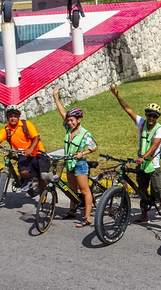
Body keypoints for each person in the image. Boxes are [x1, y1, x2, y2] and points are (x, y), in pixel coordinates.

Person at [109, 84, 161, 235]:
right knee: (142, 190)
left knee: (160, 194)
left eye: (154, 116)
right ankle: (144, 215)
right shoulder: (141, 123)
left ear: (157, 118)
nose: (151, 118)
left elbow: (155, 145)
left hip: (152, 165)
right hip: (141, 165)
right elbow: (128, 110)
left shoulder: (160, 129)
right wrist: (118, 97)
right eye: (149, 115)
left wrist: (143, 157)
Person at [51, 88, 98, 227]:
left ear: (78, 120)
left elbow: (94, 147)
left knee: (84, 191)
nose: (69, 123)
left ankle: (87, 217)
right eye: (68, 121)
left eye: (72, 121)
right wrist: (55, 98)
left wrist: (82, 154)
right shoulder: (68, 129)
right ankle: (72, 211)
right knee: (72, 189)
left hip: (79, 164)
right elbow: (62, 112)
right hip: (69, 163)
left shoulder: (84, 134)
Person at [0, 105, 50, 197]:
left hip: (38, 153)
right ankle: (29, 181)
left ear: (19, 116)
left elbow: (36, 138)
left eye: (15, 116)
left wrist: (30, 149)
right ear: (7, 117)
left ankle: (42, 201)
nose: (13, 118)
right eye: (10, 116)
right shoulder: (6, 130)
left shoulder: (26, 124)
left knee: (42, 177)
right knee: (23, 172)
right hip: (23, 154)